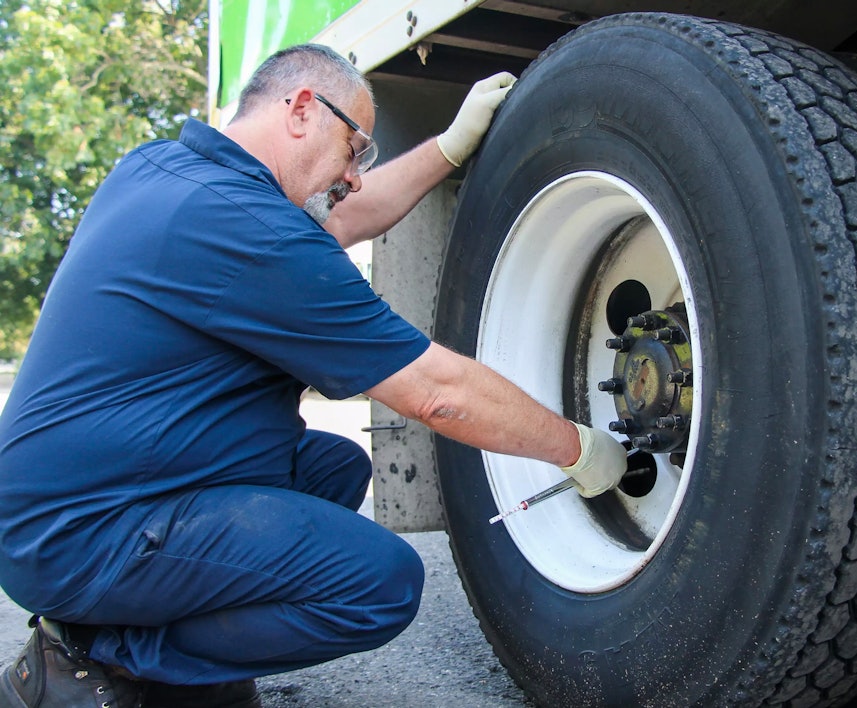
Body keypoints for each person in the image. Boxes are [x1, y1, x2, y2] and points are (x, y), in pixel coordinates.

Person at [0, 43, 627, 708]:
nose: (355, 175)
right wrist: (577, 448)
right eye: (355, 147)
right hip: (78, 534)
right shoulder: (249, 230)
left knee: (331, 468)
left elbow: (344, 219)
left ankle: (168, 633)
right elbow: (439, 394)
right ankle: (100, 652)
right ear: (302, 108)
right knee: (378, 584)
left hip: (64, 502)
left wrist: (448, 146)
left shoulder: (164, 169)